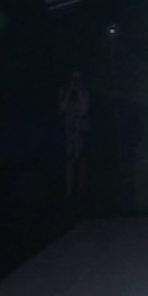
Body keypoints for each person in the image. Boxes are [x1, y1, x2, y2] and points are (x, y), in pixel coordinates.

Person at [58, 69, 90, 199]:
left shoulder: (84, 91)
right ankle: (68, 192)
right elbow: (61, 108)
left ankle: (82, 192)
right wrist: (70, 90)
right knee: (69, 160)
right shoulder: (63, 90)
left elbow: (85, 110)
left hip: (81, 129)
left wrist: (78, 91)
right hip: (68, 129)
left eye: (77, 78)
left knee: (82, 160)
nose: (75, 80)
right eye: (73, 77)